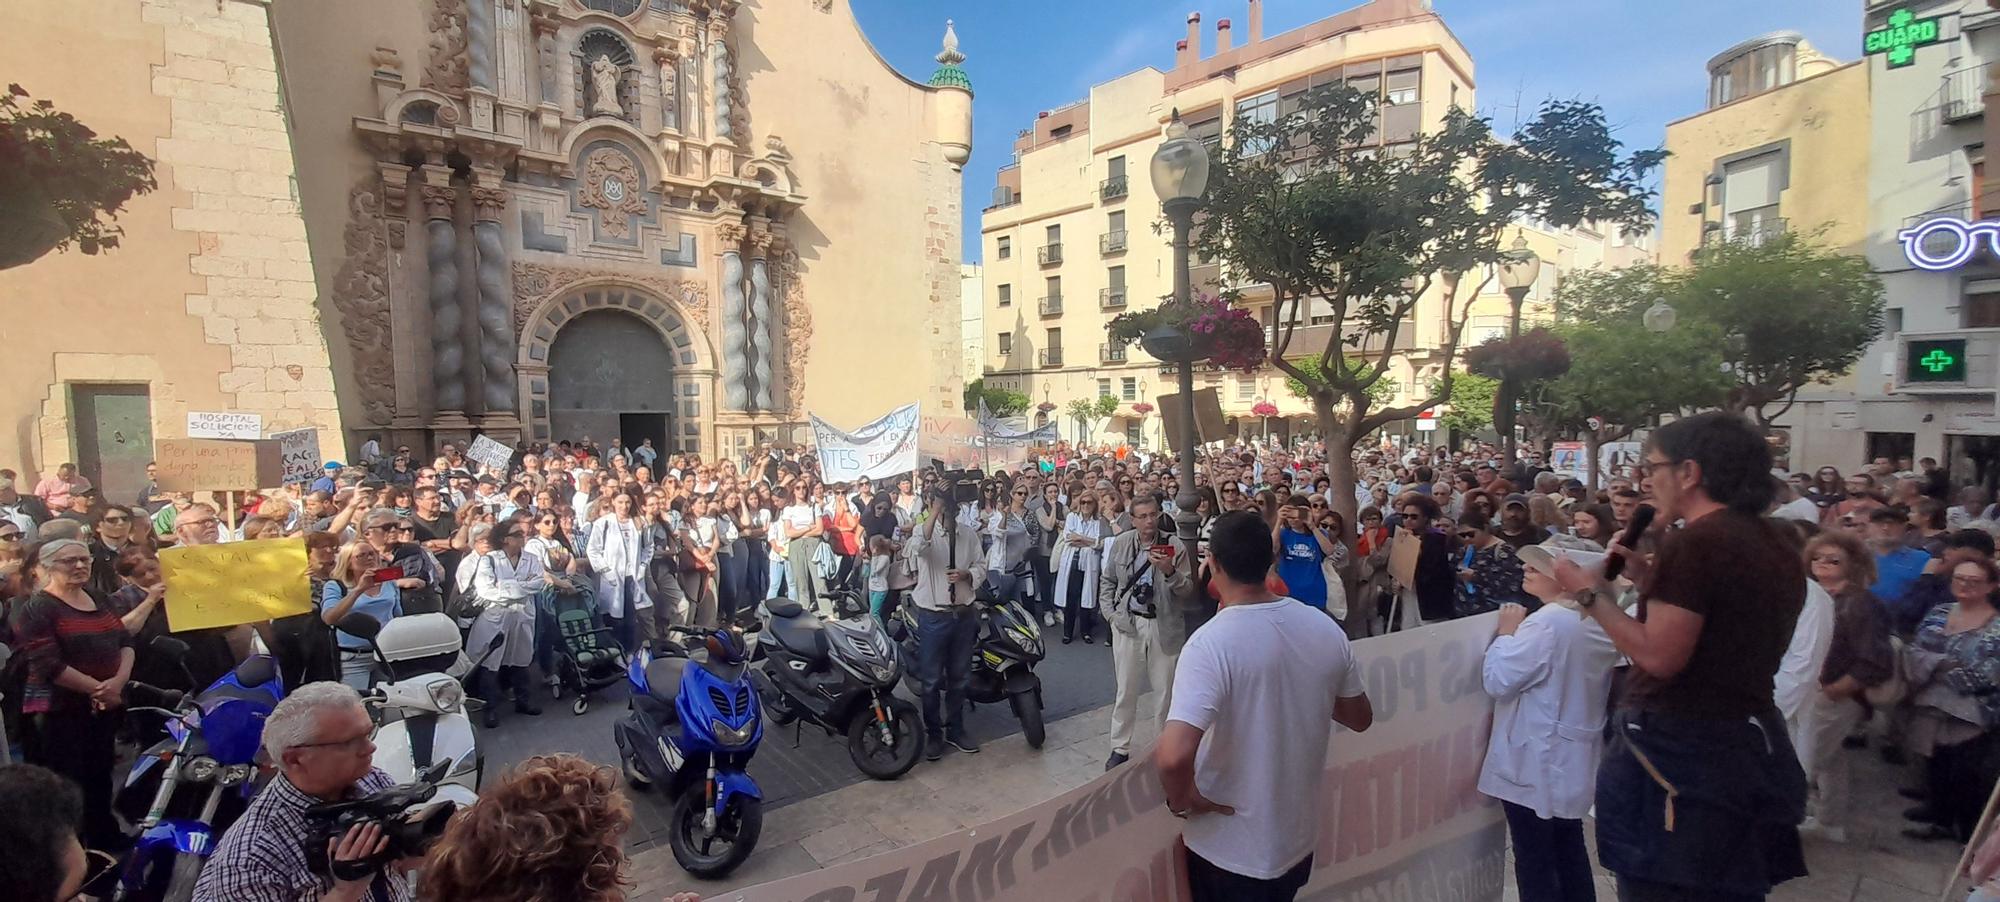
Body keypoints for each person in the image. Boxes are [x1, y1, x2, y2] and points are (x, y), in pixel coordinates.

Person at [1553, 411, 1807, 900]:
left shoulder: (1697, 543)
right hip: (1744, 737)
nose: (1646, 481)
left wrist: (1589, 595)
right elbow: (1724, 625)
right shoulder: (1773, 539)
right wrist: (1654, 586)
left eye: (1652, 467)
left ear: (1689, 473)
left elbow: (1661, 656)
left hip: (1681, 750)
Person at [1155, 510, 1373, 902]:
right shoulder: (1323, 628)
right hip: (1296, 839)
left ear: (1214, 563)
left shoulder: (1210, 644)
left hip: (1226, 848)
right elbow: (1360, 716)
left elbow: (1172, 756)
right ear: (1270, 560)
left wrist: (1182, 798)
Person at [1480, 542, 1620, 902]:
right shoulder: (1598, 620)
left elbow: (1499, 679)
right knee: (1568, 849)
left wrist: (1506, 633)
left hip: (1535, 757)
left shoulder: (1547, 623)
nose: (1527, 568)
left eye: (1540, 565)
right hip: (1571, 753)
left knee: (1535, 858)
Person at [193, 682, 418, 902]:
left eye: (368, 734)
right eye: (351, 742)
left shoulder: (372, 780)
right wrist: (346, 892)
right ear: (295, 759)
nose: (370, 748)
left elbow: (400, 868)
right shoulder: (250, 859)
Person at [10, 539, 134, 853]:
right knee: (68, 783)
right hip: (59, 711)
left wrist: (117, 684)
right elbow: (47, 663)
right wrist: (98, 688)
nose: (79, 566)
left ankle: (105, 837)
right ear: (48, 567)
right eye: (69, 561)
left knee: (101, 775)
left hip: (104, 705)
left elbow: (124, 640)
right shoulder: (39, 608)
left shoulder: (97, 597)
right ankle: (71, 851)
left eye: (83, 559)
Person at [1797, 530, 1892, 844]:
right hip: (1814, 690)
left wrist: (1835, 690)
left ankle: (1778, 826)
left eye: (1833, 559)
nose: (1822, 563)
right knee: (1831, 757)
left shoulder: (1861, 603)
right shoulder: (1816, 594)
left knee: (1805, 760)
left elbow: (1875, 660)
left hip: (1836, 694)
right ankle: (1830, 822)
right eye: (1817, 557)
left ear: (1853, 564)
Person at [1901, 557, 2000, 843]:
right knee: (1937, 764)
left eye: (1974, 581)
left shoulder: (1996, 627)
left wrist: (1935, 665)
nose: (1965, 585)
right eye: (1959, 578)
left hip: (1973, 712)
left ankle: (1968, 837)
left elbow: (1985, 675)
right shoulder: (1940, 611)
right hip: (1930, 704)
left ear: (1991, 586)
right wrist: (1946, 665)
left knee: (1967, 776)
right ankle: (1939, 817)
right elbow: (1913, 654)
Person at [1100, 495, 1193, 771]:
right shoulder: (1122, 543)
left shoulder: (1174, 545)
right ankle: (1120, 746)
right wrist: (1111, 615)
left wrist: (1169, 571)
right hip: (1129, 623)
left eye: (1153, 514)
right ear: (1133, 519)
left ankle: (1162, 745)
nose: (1149, 521)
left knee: (1165, 692)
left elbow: (1187, 590)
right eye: (1142, 516)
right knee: (1126, 689)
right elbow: (1108, 581)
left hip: (1164, 624)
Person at [907, 483, 984, 761]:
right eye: (944, 507)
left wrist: (967, 575)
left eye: (952, 507)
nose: (949, 512)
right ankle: (934, 734)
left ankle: (956, 728)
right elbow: (918, 547)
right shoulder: (923, 530)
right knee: (930, 680)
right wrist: (936, 505)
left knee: (960, 677)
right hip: (933, 616)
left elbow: (981, 566)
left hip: (963, 614)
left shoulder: (969, 534)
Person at [470, 522, 548, 728]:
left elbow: (538, 583)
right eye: (518, 533)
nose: (523, 536)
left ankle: (524, 701)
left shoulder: (531, 558)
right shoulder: (490, 560)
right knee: (491, 662)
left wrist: (505, 586)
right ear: (505, 539)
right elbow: (485, 589)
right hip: (497, 615)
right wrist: (520, 587)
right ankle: (491, 709)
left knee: (521, 659)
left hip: (522, 615)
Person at [321, 542, 402, 690]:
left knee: (390, 702)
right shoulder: (336, 586)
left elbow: (397, 616)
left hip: (385, 653)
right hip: (354, 657)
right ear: (348, 562)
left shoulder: (388, 581)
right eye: (361, 555)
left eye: (372, 553)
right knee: (356, 703)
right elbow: (329, 618)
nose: (369, 558)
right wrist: (359, 589)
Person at [586, 491, 652, 652]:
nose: (624, 506)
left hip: (632, 577)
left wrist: (642, 566)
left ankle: (629, 652)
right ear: (613, 502)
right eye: (620, 502)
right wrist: (606, 571)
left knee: (630, 618)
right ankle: (614, 652)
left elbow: (648, 547)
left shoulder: (639, 522)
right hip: (612, 578)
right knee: (613, 618)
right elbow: (593, 550)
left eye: (628, 502)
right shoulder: (603, 523)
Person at [1052, 491, 1109, 644]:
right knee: (1071, 597)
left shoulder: (1099, 521)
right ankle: (1068, 633)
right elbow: (1068, 539)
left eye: (1089, 502)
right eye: (1083, 502)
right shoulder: (1072, 517)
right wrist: (1089, 541)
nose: (1085, 505)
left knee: (1087, 597)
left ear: (1094, 504)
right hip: (1072, 563)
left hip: (1089, 563)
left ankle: (1086, 632)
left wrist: (1081, 538)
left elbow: (1099, 543)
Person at [1271, 499, 1336, 613]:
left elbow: (1329, 551)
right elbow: (1272, 549)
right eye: (1290, 514)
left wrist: (1312, 526)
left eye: (1298, 513)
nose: (1294, 519)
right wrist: (1279, 521)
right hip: (1288, 591)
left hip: (1314, 592)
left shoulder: (1318, 534)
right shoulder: (1283, 533)